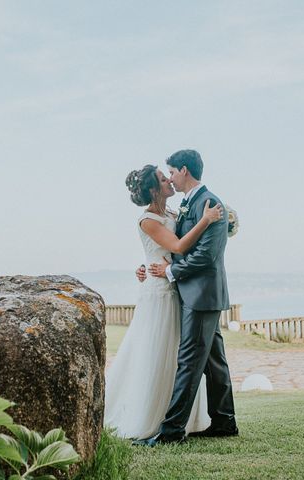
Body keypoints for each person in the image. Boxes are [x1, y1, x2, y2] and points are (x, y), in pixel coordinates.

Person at [104, 163, 223, 439]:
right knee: (155, 352)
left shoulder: (170, 212)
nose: (169, 180)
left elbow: (170, 248)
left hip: (174, 287)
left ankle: (179, 416)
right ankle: (150, 416)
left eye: (168, 175)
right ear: (152, 189)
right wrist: (206, 220)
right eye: (162, 178)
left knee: (177, 353)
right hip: (158, 291)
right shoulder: (147, 220)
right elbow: (179, 246)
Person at [134, 149, 238, 447]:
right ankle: (224, 421)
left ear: (184, 170)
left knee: (189, 361)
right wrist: (150, 266)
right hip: (194, 294)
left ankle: (172, 432)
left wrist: (171, 270)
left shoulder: (211, 204)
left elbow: (206, 256)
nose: (170, 178)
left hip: (201, 294)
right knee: (214, 362)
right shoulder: (188, 204)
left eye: (172, 172)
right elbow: (171, 244)